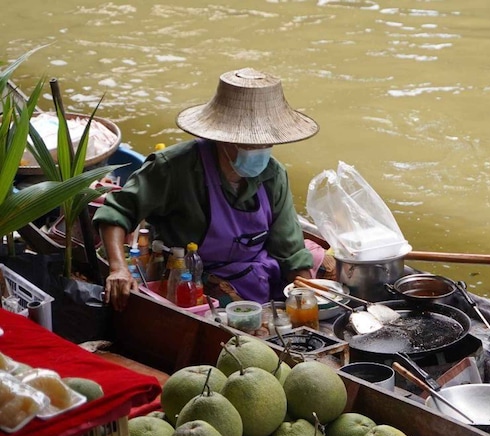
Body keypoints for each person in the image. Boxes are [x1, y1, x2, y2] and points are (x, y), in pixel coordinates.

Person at [94, 68, 330, 311]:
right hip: (194, 275)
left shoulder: (273, 174)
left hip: (257, 267)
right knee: (240, 314)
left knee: (327, 271)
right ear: (223, 138)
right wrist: (118, 268)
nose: (261, 149)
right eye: (251, 142)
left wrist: (308, 298)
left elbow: (289, 249)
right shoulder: (175, 167)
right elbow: (117, 212)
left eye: (267, 142)